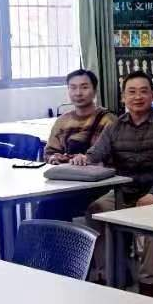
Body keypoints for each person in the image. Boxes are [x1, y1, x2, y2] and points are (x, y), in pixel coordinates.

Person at [81, 70, 153, 295]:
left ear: (152, 95)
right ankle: (111, 271)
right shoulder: (115, 127)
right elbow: (96, 154)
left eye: (143, 91)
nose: (138, 97)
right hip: (126, 191)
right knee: (95, 210)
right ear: (123, 97)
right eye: (132, 92)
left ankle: (147, 281)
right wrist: (83, 159)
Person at [36, 69, 117, 221]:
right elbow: (49, 152)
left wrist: (79, 159)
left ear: (94, 91)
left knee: (54, 206)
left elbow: (109, 158)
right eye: (73, 88)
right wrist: (54, 158)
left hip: (97, 185)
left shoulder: (108, 120)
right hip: (65, 181)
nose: (78, 93)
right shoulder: (63, 121)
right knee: (47, 205)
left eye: (84, 87)